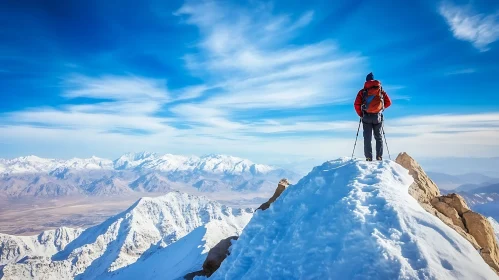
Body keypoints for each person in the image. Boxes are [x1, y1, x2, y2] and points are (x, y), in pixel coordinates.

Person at [354, 72, 392, 161]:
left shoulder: (362, 91)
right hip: (377, 117)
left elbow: (356, 104)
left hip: (366, 117)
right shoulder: (380, 90)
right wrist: (380, 109)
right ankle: (379, 157)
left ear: (366, 81)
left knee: (367, 138)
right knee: (378, 137)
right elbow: (389, 102)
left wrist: (361, 114)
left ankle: (368, 157)